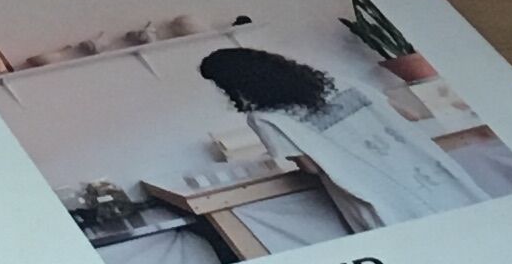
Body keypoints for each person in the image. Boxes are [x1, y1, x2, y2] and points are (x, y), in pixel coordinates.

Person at [194, 40, 481, 233]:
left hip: (375, 193)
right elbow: (409, 115)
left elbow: (310, 166)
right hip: (426, 172)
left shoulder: (267, 117)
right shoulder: (340, 81)